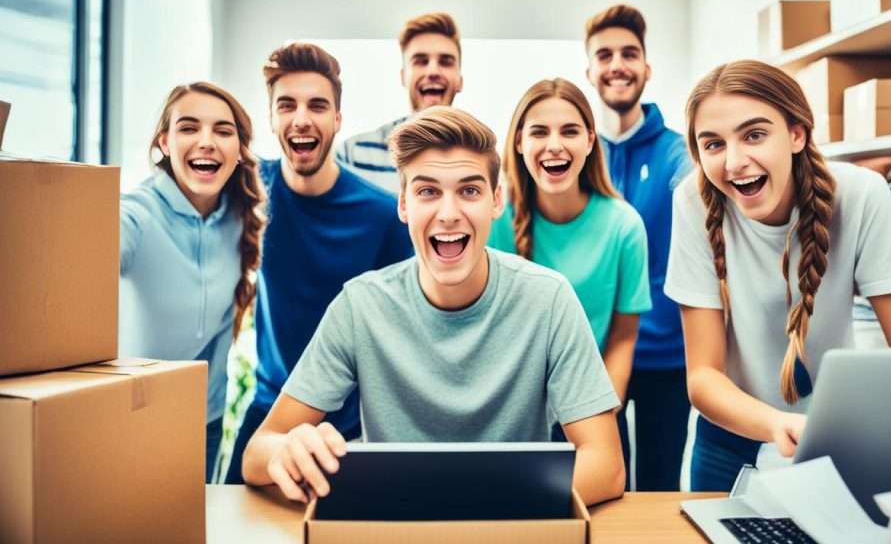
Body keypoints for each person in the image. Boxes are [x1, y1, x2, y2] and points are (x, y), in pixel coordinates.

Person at [241, 107, 625, 507]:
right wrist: (287, 451)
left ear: (496, 201)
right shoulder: (360, 306)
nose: (448, 214)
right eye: (427, 192)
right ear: (403, 205)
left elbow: (606, 464)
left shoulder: (549, 299)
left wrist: (469, 512)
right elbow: (258, 451)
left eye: (470, 191)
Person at [666, 59, 891, 492]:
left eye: (754, 134)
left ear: (796, 133)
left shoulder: (860, 195)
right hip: (728, 442)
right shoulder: (694, 202)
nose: (735, 162)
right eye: (713, 144)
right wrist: (776, 424)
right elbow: (702, 376)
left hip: (840, 437)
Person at [223, 43, 414, 483]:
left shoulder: (383, 215)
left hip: (349, 428)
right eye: (286, 105)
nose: (302, 118)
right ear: (271, 119)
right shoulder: (248, 192)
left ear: (337, 121)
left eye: (318, 105)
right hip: (268, 414)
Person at [488, 78, 650, 468]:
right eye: (539, 132)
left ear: (591, 141)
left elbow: (623, 336)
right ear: (519, 142)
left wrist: (603, 412)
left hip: (592, 411)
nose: (555, 144)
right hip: (512, 417)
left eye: (570, 131)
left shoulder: (623, 225)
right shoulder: (496, 218)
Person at [119, 81, 266, 482]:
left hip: (205, 422)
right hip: (128, 421)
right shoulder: (136, 214)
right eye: (188, 128)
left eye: (223, 131)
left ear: (239, 150)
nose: (207, 142)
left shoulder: (241, 217)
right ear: (165, 142)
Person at [584, 4, 691, 491]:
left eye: (629, 53)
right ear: (590, 71)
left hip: (669, 355)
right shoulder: (576, 157)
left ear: (647, 67)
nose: (617, 64)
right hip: (595, 354)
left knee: (660, 485)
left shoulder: (680, 153)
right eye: (604, 55)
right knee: (605, 483)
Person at [338, 12, 464, 193]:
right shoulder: (353, 155)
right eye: (421, 61)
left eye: (446, 62)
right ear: (403, 76)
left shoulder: (484, 160)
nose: (433, 71)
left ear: (460, 80)